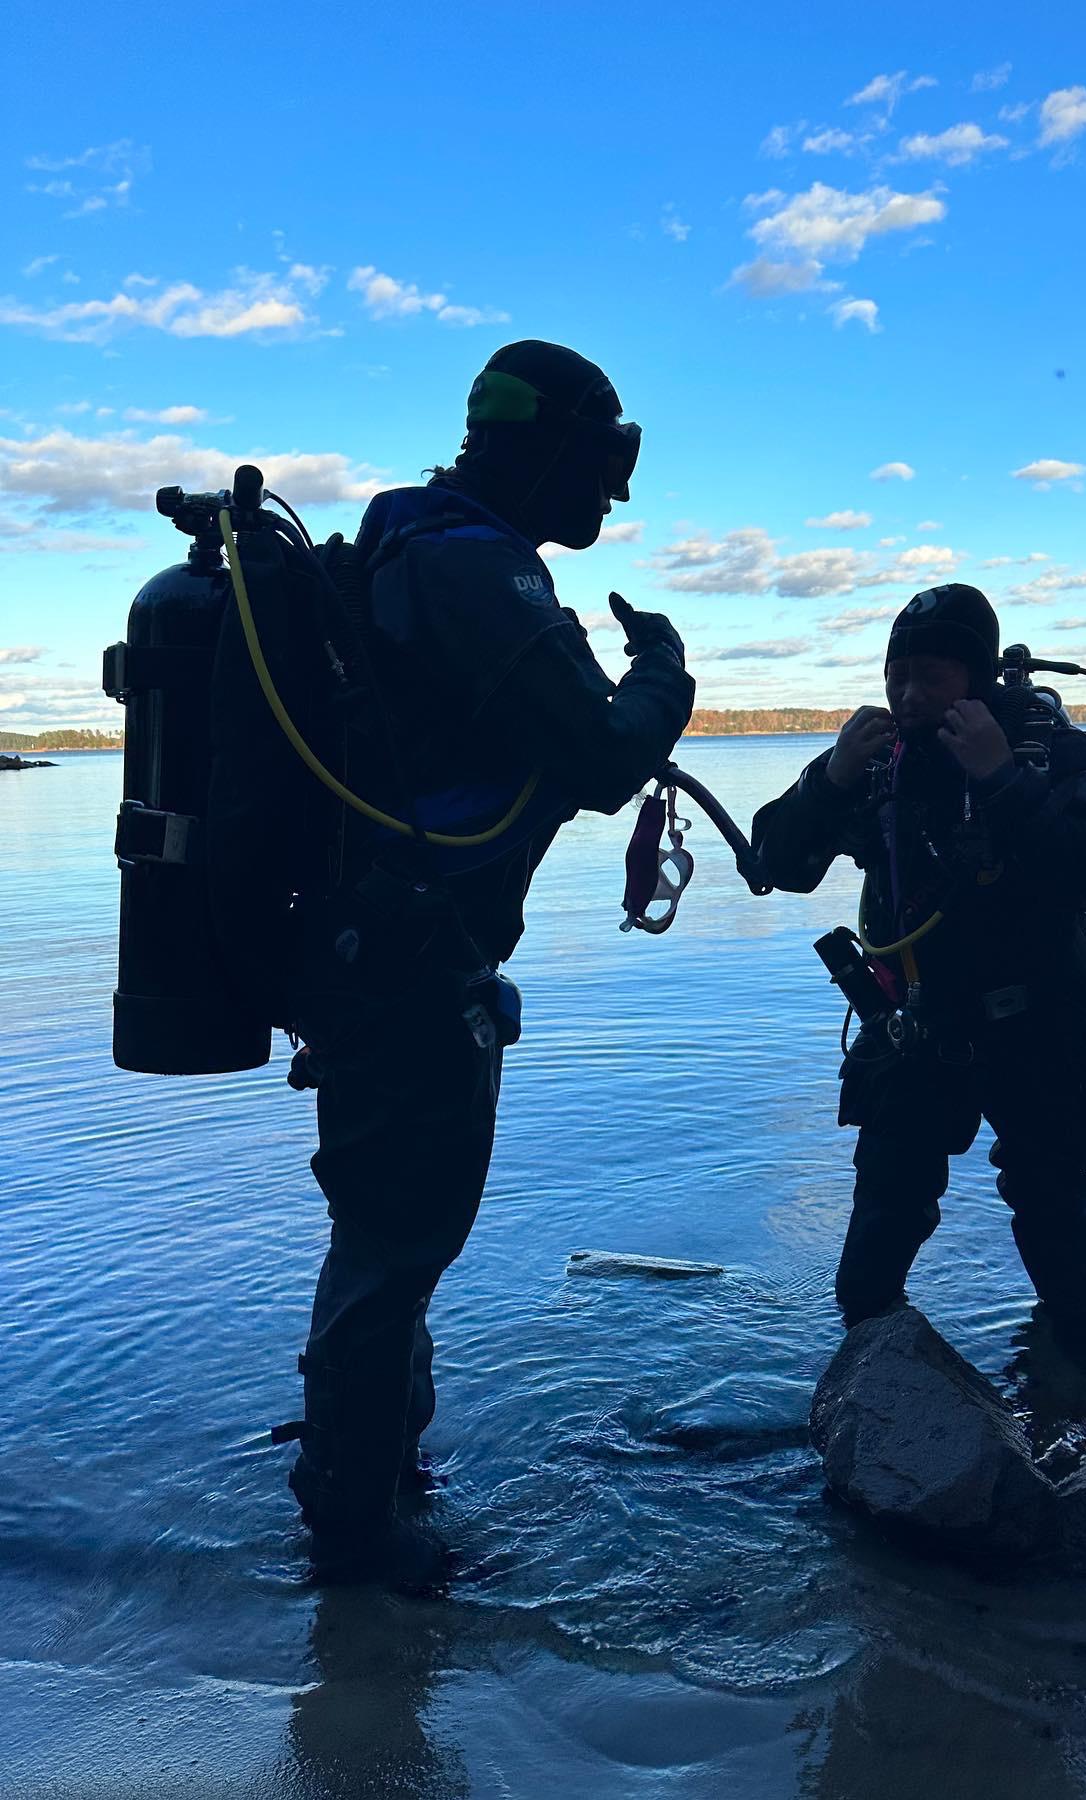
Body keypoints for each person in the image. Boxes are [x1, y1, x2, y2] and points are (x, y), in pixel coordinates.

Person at [272, 341, 695, 1583]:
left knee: (385, 1234)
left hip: (377, 952)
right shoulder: (470, 565)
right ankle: (357, 1532)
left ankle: (368, 1471)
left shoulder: (423, 553)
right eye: (607, 457)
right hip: (407, 964)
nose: (616, 490)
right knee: (396, 1242)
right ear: (542, 445)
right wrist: (664, 671)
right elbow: (603, 756)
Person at [751, 584, 1086, 1343]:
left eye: (931, 677)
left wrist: (1003, 781)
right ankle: (866, 1360)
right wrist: (828, 781)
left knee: (1053, 1209)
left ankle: (1071, 1375)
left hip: (1038, 1028)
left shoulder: (1045, 753)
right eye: (897, 675)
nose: (908, 695)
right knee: (881, 1227)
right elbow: (775, 865)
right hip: (917, 1030)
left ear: (978, 676)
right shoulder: (877, 764)